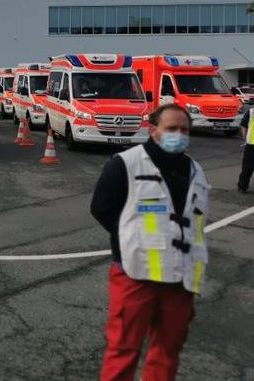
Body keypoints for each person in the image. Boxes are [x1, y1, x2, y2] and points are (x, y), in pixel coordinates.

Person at [91, 104, 210, 381]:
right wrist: (132, 240)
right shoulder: (126, 163)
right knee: (123, 350)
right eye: (171, 129)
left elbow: (196, 224)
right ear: (153, 130)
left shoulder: (196, 171)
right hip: (134, 275)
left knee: (168, 352)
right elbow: (102, 208)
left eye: (184, 130)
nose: (178, 135)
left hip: (180, 280)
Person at [237, 105, 254, 193]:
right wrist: (246, 138)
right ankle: (242, 186)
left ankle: (242, 186)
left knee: (247, 167)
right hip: (251, 144)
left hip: (251, 144)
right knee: (247, 168)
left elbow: (243, 126)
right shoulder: (251, 112)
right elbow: (243, 126)